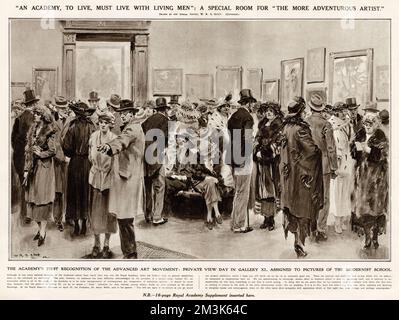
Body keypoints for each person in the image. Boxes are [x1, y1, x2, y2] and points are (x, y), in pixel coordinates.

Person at [97, 100, 146, 259]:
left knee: (125, 219)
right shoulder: (131, 127)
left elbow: (122, 141)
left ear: (132, 114)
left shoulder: (133, 128)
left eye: (125, 114)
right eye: (121, 114)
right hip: (126, 178)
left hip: (127, 179)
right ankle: (129, 252)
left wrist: (109, 147)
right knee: (124, 218)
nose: (122, 116)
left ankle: (130, 253)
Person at [279, 97, 323, 258]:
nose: (305, 113)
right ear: (300, 112)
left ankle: (297, 242)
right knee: (302, 209)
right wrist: (319, 151)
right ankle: (299, 243)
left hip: (287, 176)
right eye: (303, 111)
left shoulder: (285, 127)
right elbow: (312, 151)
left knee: (291, 209)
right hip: (301, 177)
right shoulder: (300, 129)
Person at [23, 105, 57, 246]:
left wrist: (40, 154)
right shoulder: (32, 130)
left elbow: (52, 150)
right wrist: (26, 170)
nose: (35, 116)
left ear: (43, 116)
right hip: (33, 169)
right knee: (33, 200)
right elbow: (28, 153)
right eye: (35, 114)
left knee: (42, 200)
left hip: (45, 169)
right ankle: (39, 229)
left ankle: (43, 231)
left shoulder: (49, 130)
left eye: (37, 114)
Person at [354, 113, 388, 249]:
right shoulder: (360, 134)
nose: (367, 128)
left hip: (377, 178)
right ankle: (367, 236)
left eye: (370, 125)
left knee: (376, 207)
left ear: (375, 125)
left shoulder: (380, 136)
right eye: (366, 125)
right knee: (364, 208)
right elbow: (354, 153)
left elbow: (384, 154)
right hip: (363, 177)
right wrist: (356, 149)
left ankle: (375, 236)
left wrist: (369, 150)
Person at [306, 94, 338, 242]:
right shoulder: (326, 124)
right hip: (324, 165)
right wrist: (334, 167)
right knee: (324, 198)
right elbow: (331, 148)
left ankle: (311, 226)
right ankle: (321, 229)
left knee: (311, 196)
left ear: (310, 107)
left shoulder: (305, 123)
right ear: (321, 108)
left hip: (308, 165)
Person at [62, 101, 96, 236]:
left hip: (75, 163)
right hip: (88, 163)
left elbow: (67, 148)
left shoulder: (72, 127)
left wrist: (72, 153)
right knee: (86, 193)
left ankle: (76, 225)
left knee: (75, 193)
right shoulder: (92, 127)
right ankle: (84, 225)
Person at [88, 111, 118, 258]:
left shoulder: (114, 139)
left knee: (108, 214)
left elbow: (116, 161)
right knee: (95, 213)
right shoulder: (93, 137)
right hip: (95, 179)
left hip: (109, 180)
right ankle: (96, 243)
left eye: (106, 123)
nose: (103, 125)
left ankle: (106, 244)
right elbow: (90, 155)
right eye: (101, 122)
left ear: (110, 124)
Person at [227, 89, 255, 233]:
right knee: (242, 193)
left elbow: (233, 138)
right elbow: (247, 140)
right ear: (248, 103)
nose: (253, 106)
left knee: (237, 191)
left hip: (232, 157)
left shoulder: (233, 116)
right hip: (243, 158)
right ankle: (239, 225)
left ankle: (234, 222)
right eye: (252, 103)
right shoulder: (248, 118)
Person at [254, 102, 283, 231]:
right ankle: (265, 218)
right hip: (261, 161)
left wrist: (264, 150)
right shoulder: (262, 125)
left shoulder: (278, 126)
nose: (268, 113)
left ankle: (271, 219)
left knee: (271, 188)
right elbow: (256, 139)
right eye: (267, 111)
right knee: (262, 189)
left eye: (271, 111)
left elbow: (277, 144)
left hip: (272, 162)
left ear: (276, 112)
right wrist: (256, 149)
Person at [141, 97, 169, 225]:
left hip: (145, 156)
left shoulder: (147, 121)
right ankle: (157, 217)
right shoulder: (165, 120)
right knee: (159, 186)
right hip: (157, 157)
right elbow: (165, 139)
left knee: (147, 187)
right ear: (165, 109)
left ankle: (147, 215)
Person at [11, 89, 37, 224]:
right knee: (31, 184)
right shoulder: (33, 118)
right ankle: (29, 214)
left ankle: (24, 212)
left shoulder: (18, 118)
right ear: (32, 104)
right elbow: (34, 139)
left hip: (19, 156)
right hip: (30, 156)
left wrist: (19, 151)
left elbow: (13, 140)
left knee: (23, 183)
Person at [328, 102, 354, 233]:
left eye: (345, 110)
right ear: (337, 112)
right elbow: (334, 146)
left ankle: (343, 219)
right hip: (338, 162)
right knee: (337, 192)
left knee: (345, 191)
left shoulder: (346, 124)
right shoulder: (333, 125)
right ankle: (337, 221)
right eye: (343, 111)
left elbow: (350, 141)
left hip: (347, 159)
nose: (345, 113)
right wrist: (337, 164)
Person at [52, 96, 73, 232]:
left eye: (65, 107)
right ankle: (58, 219)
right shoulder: (53, 122)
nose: (64, 110)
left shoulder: (71, 120)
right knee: (58, 192)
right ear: (57, 108)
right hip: (59, 162)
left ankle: (69, 216)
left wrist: (70, 156)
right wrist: (63, 156)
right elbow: (54, 143)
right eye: (61, 108)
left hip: (70, 160)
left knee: (69, 190)